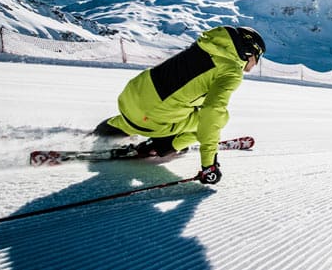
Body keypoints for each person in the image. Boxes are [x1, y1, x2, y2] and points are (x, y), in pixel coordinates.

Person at [93, 26, 265, 185]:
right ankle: (161, 146)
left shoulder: (204, 45)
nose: (256, 63)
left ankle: (107, 130)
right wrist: (209, 165)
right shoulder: (231, 71)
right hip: (151, 118)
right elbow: (212, 112)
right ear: (250, 52)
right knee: (220, 118)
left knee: (147, 112)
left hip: (130, 98)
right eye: (258, 57)